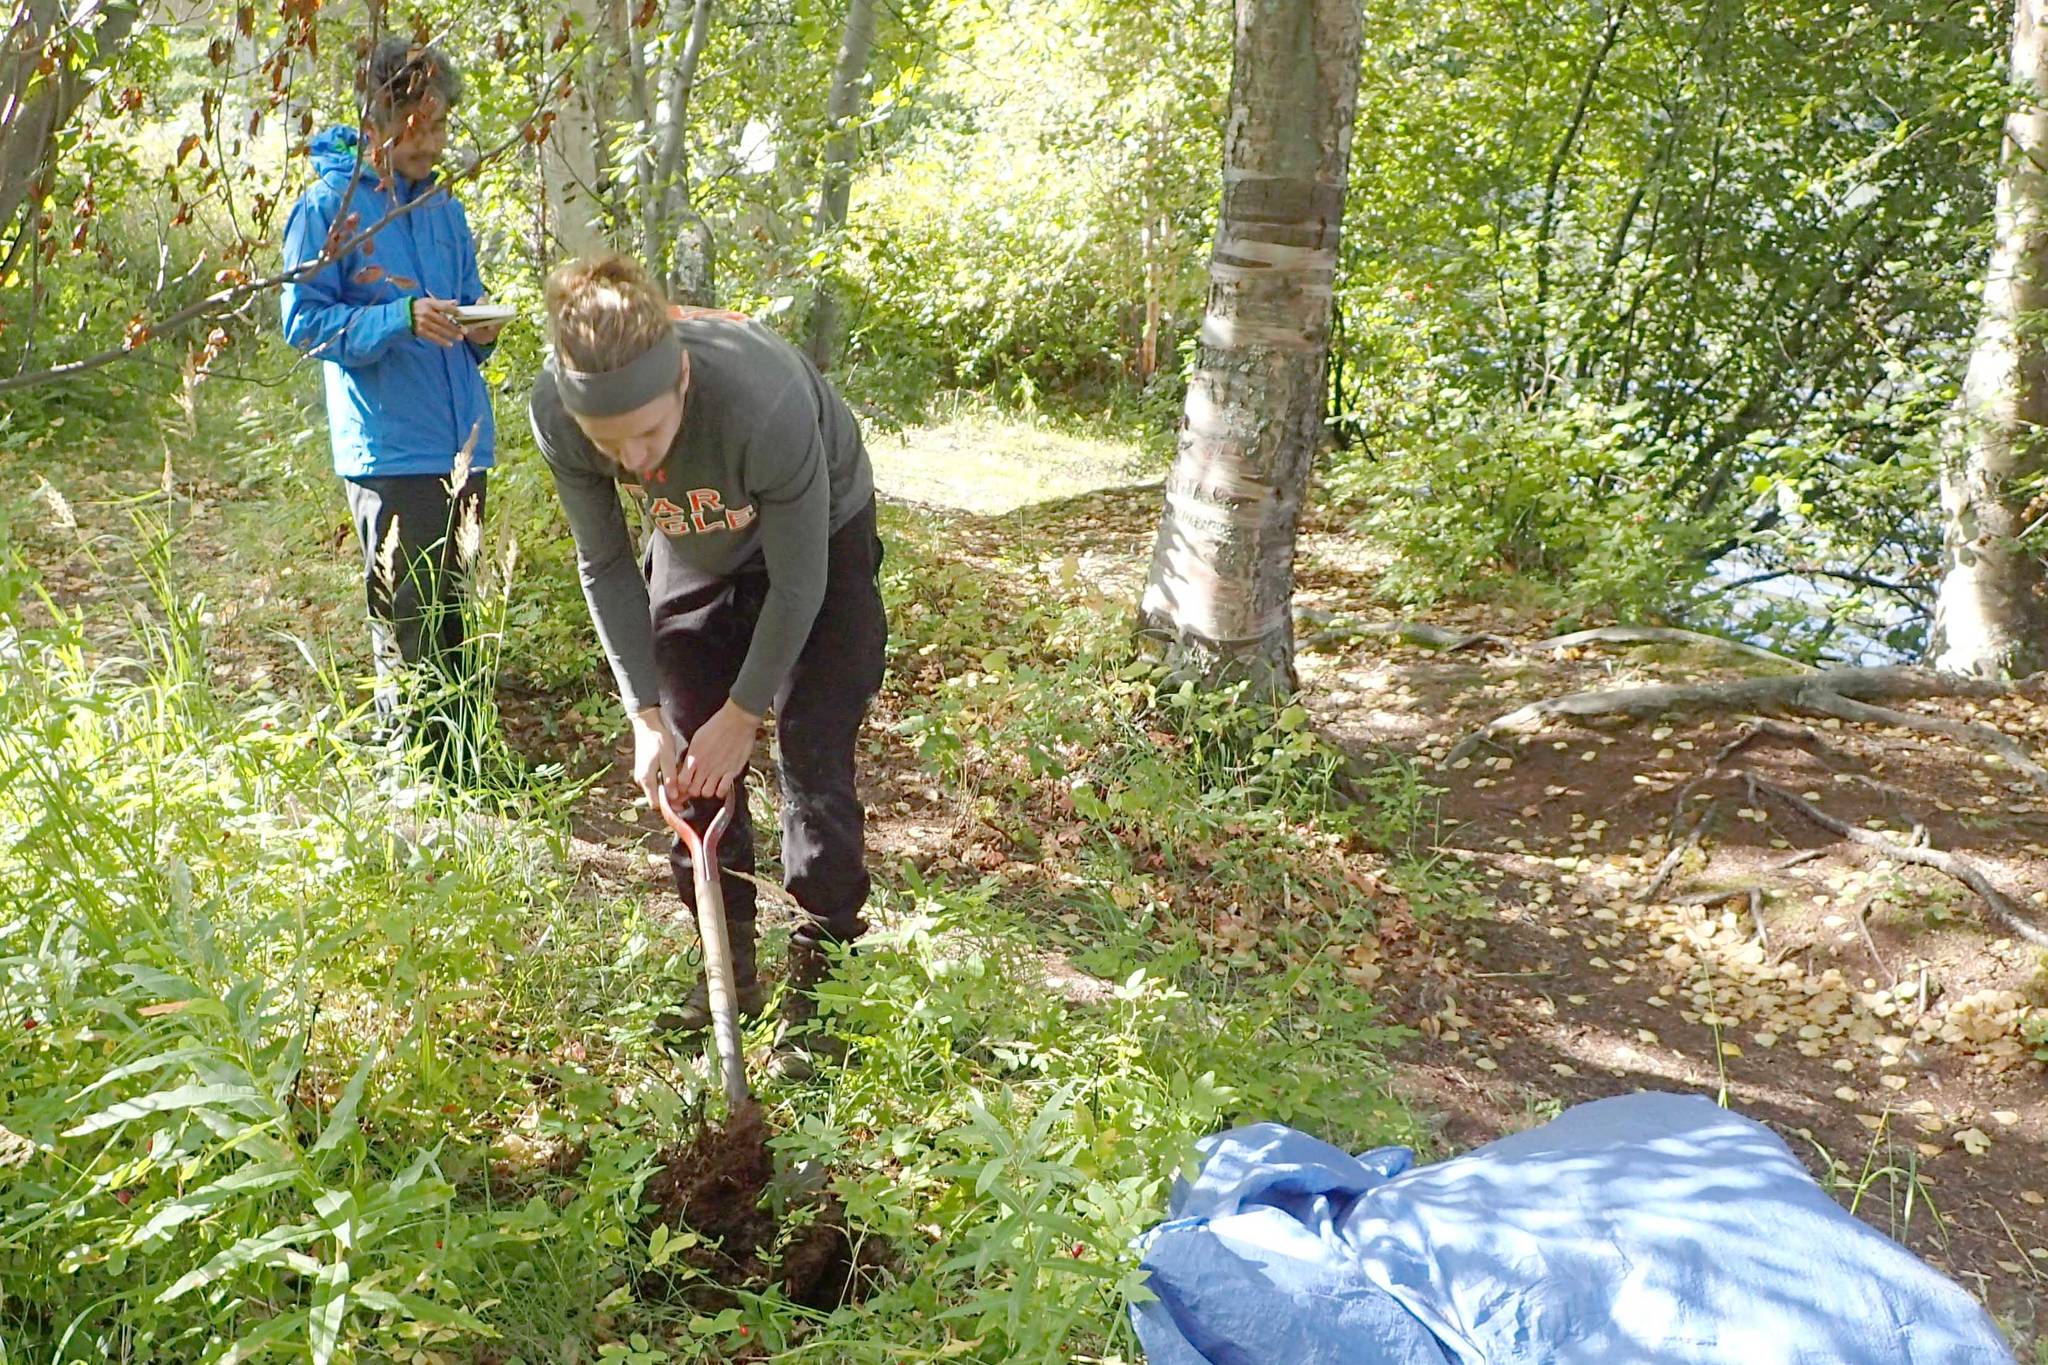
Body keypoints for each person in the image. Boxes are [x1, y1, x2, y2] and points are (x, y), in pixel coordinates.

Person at [528, 254, 886, 1077]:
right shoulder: (556, 409)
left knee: (812, 745)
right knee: (690, 761)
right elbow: (607, 565)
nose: (636, 464)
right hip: (696, 542)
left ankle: (824, 979)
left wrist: (747, 710)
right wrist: (644, 715)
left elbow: (801, 585)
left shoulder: (763, 400)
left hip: (817, 535)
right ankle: (728, 971)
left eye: (650, 434)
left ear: (683, 377)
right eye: (608, 446)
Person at [280, 38, 503, 773]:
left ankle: (465, 769)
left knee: (455, 616)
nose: (436, 143)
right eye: (424, 126)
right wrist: (397, 320)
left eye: (442, 127)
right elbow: (303, 323)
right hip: (390, 448)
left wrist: (481, 328)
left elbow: (464, 311)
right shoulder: (329, 208)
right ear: (381, 118)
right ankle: (415, 782)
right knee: (405, 618)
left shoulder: (445, 206)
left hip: (462, 440)